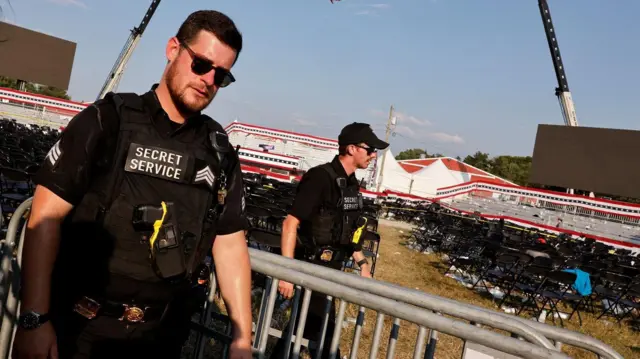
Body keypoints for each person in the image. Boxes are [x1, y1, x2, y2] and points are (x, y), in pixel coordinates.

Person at [12, 10, 253, 359]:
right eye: (201, 64)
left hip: (159, 339)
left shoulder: (219, 151)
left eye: (222, 75)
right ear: (173, 49)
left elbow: (230, 245)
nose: (208, 80)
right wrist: (34, 319)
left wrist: (242, 338)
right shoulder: (107, 120)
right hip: (78, 330)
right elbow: (43, 218)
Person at [271, 122, 388, 359]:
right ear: (352, 149)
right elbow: (290, 223)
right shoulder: (319, 177)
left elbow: (348, 232)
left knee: (301, 333)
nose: (374, 155)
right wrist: (287, 273)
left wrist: (362, 264)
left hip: (331, 271)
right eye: (370, 149)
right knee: (323, 338)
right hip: (311, 268)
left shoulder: (352, 185)